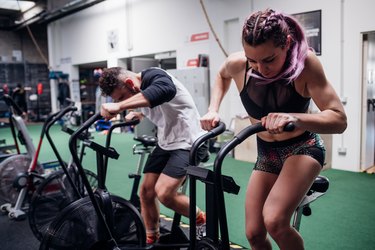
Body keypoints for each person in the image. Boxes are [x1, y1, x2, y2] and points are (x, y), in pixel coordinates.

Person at [200, 8, 347, 250]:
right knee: (254, 233)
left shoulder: (306, 65)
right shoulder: (238, 64)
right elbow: (221, 75)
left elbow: (339, 120)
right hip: (266, 152)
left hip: (303, 148)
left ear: (287, 44)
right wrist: (213, 108)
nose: (259, 68)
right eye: (252, 60)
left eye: (268, 60)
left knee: (275, 221)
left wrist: (295, 117)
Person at [99, 67, 208, 244]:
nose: (122, 102)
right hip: (166, 142)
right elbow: (158, 103)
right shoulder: (138, 90)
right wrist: (139, 112)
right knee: (146, 192)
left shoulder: (154, 75)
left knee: (164, 193)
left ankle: (201, 220)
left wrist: (120, 106)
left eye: (121, 97)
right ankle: (151, 239)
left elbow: (165, 91)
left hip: (190, 142)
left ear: (129, 83)